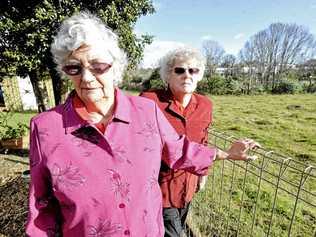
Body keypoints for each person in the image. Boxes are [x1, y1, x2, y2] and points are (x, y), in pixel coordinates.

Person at [26, 12, 259, 237]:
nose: (86, 78)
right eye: (74, 67)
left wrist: (225, 154)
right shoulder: (46, 128)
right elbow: (41, 208)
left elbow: (178, 150)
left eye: (98, 66)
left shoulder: (146, 112)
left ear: (115, 66)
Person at [140, 47, 213, 237]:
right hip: (160, 187)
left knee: (178, 224)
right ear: (168, 76)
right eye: (179, 70)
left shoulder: (205, 105)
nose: (187, 75)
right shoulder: (151, 101)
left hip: (188, 185)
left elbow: (203, 141)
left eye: (193, 70)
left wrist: (203, 172)